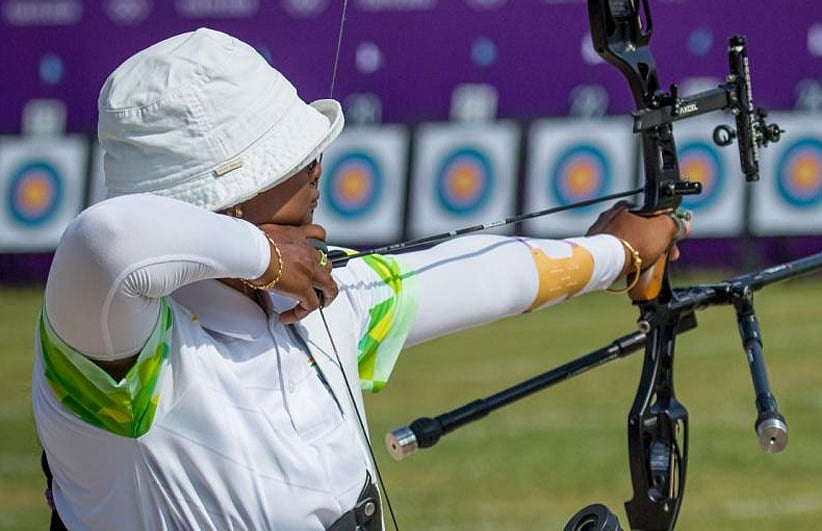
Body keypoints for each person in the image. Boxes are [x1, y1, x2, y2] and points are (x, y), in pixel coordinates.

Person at [32, 27, 688, 530]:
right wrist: (263, 255)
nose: (315, 164)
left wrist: (615, 253)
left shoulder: (315, 299)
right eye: (286, 160)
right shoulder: (121, 349)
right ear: (225, 199)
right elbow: (108, 239)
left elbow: (478, 274)